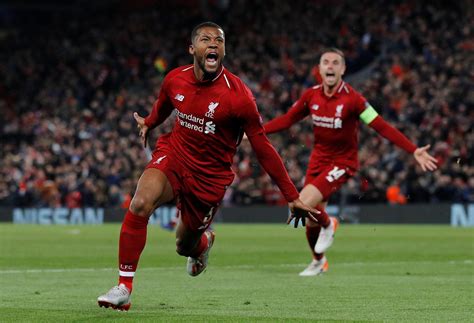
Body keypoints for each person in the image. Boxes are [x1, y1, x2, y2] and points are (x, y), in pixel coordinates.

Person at [97, 22, 317, 311]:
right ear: (192, 49)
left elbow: (263, 147)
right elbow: (165, 104)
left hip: (209, 177)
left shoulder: (239, 97)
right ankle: (124, 287)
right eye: (205, 39)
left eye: (219, 40)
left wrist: (292, 196)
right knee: (140, 202)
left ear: (223, 50)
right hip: (175, 154)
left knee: (183, 246)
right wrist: (150, 122)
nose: (213, 44)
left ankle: (202, 245)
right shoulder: (175, 79)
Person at [264, 48, 438, 276]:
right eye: (326, 62)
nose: (330, 66)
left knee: (301, 202)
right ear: (319, 68)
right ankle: (318, 260)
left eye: (336, 63)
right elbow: (287, 120)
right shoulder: (311, 96)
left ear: (343, 69)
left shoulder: (354, 100)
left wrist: (413, 150)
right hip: (318, 160)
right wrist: (257, 132)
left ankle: (329, 224)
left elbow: (381, 126)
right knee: (309, 220)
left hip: (342, 162)